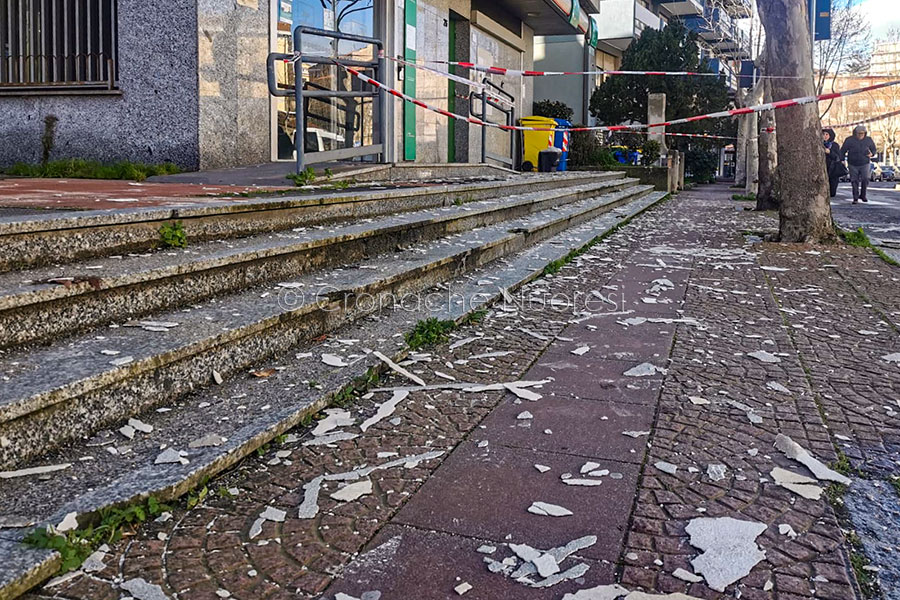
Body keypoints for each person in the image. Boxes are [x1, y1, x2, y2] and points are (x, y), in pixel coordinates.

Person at [841, 125, 877, 204]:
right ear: (855, 133)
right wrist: (842, 159)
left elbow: (874, 149)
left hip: (865, 162)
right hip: (852, 163)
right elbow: (843, 150)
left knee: (865, 179)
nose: (860, 135)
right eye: (859, 133)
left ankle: (863, 195)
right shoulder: (849, 140)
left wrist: (872, 154)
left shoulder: (868, 140)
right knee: (854, 181)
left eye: (862, 133)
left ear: (865, 133)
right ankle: (855, 198)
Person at [822, 128, 846, 198]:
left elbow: (837, 157)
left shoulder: (834, 145)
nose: (825, 136)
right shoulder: (819, 144)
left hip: (833, 170)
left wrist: (829, 152)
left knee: (832, 192)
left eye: (827, 134)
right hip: (823, 169)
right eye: (823, 134)